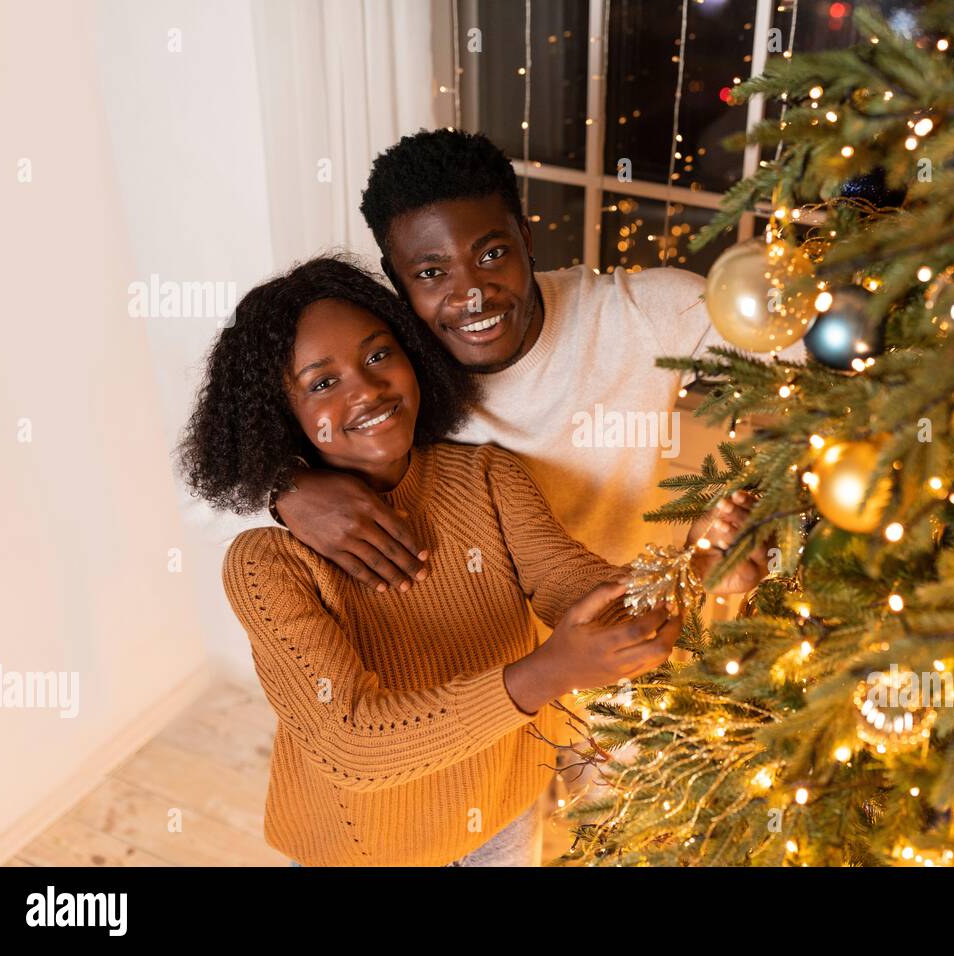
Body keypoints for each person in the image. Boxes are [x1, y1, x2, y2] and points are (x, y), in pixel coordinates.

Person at [179, 256, 684, 866]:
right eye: (321, 382)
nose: (365, 389)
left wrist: (694, 570)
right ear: (278, 415)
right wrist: (546, 672)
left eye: (376, 356)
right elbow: (351, 742)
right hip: (364, 848)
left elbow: (565, 580)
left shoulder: (486, 475)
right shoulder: (268, 563)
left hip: (503, 804)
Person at [271, 128, 781, 593]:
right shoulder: (389, 372)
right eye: (431, 273)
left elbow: (825, 373)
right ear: (395, 275)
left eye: (492, 255)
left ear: (526, 238)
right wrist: (286, 492)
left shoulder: (641, 314)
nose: (471, 295)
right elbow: (229, 456)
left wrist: (732, 522)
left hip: (637, 634)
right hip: (483, 671)